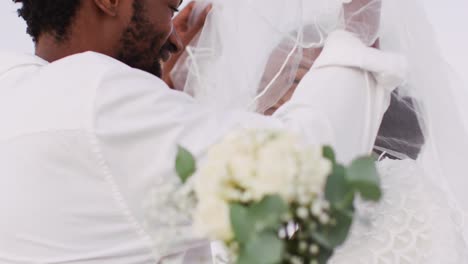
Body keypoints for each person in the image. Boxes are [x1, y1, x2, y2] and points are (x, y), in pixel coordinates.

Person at [0, 0, 408, 263]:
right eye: (166, 5)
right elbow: (304, 168)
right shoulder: (99, 99)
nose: (175, 37)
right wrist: (353, 39)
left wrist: (163, 94)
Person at [172, 0, 468, 263]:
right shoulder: (230, 211)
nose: (271, 108)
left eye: (294, 87)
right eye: (266, 92)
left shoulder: (403, 198)